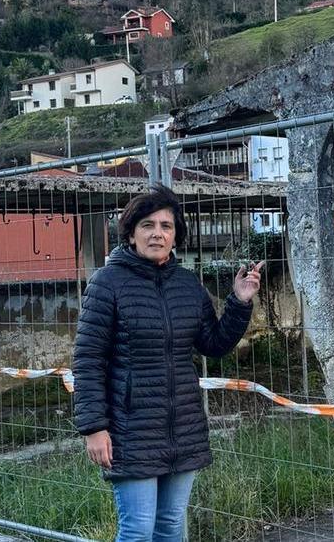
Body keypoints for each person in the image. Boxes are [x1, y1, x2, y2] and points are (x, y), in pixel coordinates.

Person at [72, 186, 262, 541]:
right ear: (131, 233)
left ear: (176, 236)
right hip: (131, 430)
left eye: (166, 226)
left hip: (182, 429)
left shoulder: (187, 285)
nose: (157, 233)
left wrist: (239, 301)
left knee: (171, 527)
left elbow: (213, 344)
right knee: (138, 531)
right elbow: (87, 360)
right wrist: (93, 428)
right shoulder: (107, 283)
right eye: (147, 225)